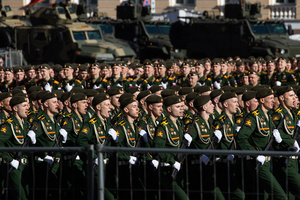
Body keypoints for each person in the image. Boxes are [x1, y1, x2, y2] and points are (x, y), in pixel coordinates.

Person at [236, 88, 287, 200]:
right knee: (281, 196)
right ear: (262, 100)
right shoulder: (254, 116)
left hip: (268, 162)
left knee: (263, 196)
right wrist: (255, 154)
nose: (273, 101)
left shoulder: (268, 116)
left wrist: (278, 141)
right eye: (270, 99)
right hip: (258, 162)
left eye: (273, 99)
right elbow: (241, 138)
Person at [31, 92, 68, 199]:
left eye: (57, 102)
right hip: (45, 164)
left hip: (57, 164)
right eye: (54, 102)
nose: (57, 104)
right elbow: (33, 142)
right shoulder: (40, 121)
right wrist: (43, 154)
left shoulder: (56, 120)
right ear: (46, 104)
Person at [187, 95, 225, 200]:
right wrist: (199, 155)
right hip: (198, 167)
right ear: (204, 107)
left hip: (210, 166)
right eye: (210, 104)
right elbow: (188, 144)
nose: (213, 105)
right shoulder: (195, 124)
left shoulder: (210, 122)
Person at [153, 95, 190, 200]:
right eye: (178, 107)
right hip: (167, 169)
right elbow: (158, 149)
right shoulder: (163, 126)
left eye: (181, 106)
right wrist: (172, 162)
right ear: (169, 109)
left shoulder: (179, 124)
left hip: (178, 169)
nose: (181, 108)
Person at [0, 96, 32, 200]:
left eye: (27, 105)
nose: (27, 108)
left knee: (27, 194)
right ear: (15, 108)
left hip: (25, 165)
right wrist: (9, 160)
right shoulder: (9, 125)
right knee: (20, 197)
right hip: (14, 166)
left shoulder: (26, 124)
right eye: (24, 106)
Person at [271, 86, 300, 199]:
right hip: (284, 160)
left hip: (293, 160)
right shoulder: (279, 114)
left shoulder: (291, 113)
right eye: (291, 96)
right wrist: (291, 142)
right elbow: (275, 132)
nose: (295, 98)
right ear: (282, 98)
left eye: (295, 96)